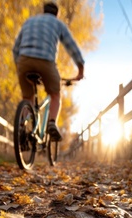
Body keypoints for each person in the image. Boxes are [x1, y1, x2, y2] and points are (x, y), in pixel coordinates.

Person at [13, 1, 85, 141]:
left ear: (43, 11)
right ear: (56, 14)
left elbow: (16, 48)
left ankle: (22, 125)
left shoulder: (29, 21)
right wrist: (80, 69)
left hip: (23, 60)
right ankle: (51, 123)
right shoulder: (58, 24)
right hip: (46, 61)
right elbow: (72, 46)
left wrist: (19, 65)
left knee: (27, 97)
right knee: (55, 94)